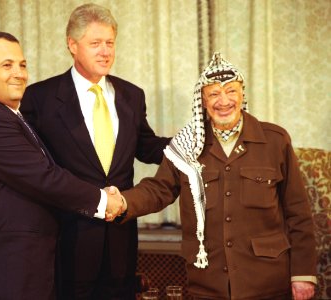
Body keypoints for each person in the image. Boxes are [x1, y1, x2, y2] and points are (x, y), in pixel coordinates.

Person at [119, 53, 317, 299]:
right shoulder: (187, 145)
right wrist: (122, 202)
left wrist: (302, 274)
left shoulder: (275, 141)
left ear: (242, 94)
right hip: (208, 285)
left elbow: (298, 213)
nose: (223, 101)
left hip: (268, 283)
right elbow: (158, 189)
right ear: (203, 100)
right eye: (214, 93)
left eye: (231, 91)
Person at [0, 31, 124, 300]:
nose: (19, 73)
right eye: (7, 65)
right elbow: (44, 178)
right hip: (3, 275)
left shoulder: (9, 117)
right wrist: (103, 201)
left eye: (22, 65)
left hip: (23, 270)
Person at [19, 3, 170, 299]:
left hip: (120, 240)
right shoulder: (40, 97)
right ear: (72, 45)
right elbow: (21, 157)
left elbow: (146, 146)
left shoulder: (131, 95)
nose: (105, 52)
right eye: (96, 43)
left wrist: (193, 143)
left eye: (110, 43)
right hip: (67, 240)